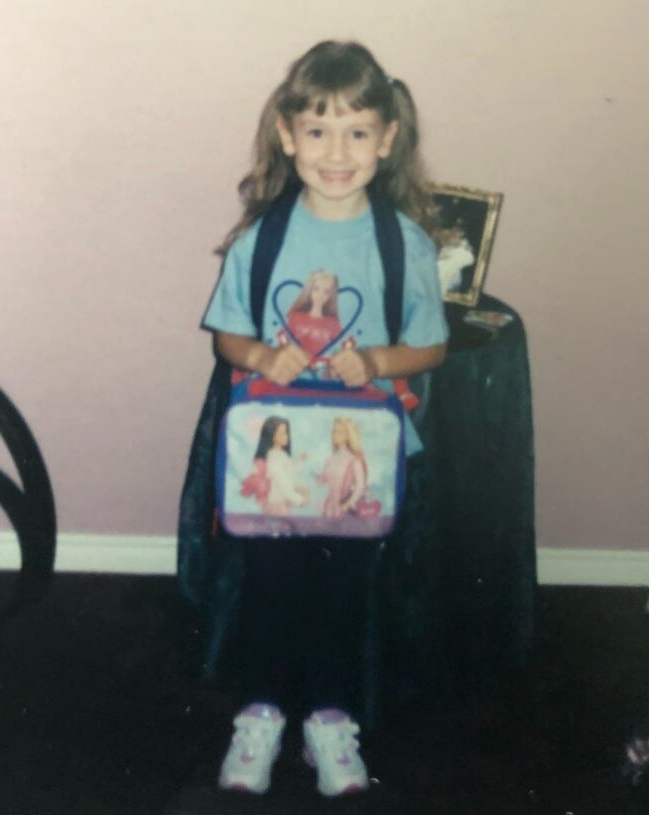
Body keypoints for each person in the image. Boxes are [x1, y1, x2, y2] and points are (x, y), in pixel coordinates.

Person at [199, 40, 448, 797]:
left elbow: (431, 347)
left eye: (357, 131)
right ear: (286, 134)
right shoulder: (262, 238)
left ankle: (331, 719)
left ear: (388, 138)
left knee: (346, 592)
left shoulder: (400, 242)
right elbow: (226, 334)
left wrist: (374, 363)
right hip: (276, 457)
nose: (336, 152)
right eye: (317, 130)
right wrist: (260, 356)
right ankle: (263, 713)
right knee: (270, 582)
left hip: (361, 458)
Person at [241, 416, 310, 514]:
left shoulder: (281, 454)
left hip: (283, 501)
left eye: (286, 432)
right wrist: (298, 499)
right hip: (277, 504)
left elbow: (290, 471)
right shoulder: (274, 458)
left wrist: (301, 461)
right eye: (281, 433)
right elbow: (282, 483)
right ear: (272, 436)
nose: (286, 436)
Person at [318, 417, 367, 517]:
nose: (335, 435)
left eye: (340, 432)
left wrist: (349, 503)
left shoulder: (354, 460)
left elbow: (360, 486)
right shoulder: (330, 459)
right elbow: (324, 480)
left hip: (343, 505)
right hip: (329, 505)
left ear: (348, 435)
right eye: (334, 431)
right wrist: (321, 479)